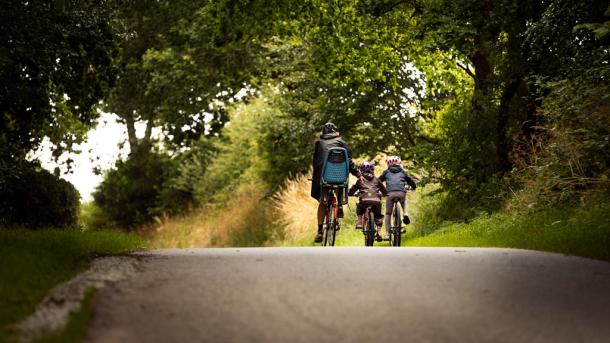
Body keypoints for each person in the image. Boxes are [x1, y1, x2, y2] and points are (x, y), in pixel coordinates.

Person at [311, 122, 360, 243]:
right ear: (335, 131)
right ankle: (339, 205)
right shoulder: (341, 142)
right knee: (339, 182)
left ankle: (320, 231)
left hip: (323, 177)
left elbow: (315, 161)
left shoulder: (318, 143)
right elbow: (349, 161)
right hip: (340, 177)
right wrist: (358, 173)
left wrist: (316, 176)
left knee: (323, 201)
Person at [379, 155, 417, 240]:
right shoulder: (403, 171)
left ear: (388, 164)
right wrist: (414, 186)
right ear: (399, 163)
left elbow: (378, 181)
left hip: (390, 193)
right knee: (404, 201)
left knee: (388, 213)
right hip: (401, 193)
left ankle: (387, 234)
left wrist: (378, 189)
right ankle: (405, 213)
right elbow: (410, 180)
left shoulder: (386, 172)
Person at [348, 161, 387, 241]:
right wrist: (385, 194)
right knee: (378, 216)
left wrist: (350, 193)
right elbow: (384, 190)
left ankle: (359, 222)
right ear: (372, 170)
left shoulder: (360, 179)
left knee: (359, 207)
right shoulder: (377, 179)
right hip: (376, 201)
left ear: (361, 170)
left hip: (364, 200)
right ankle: (379, 232)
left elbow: (354, 188)